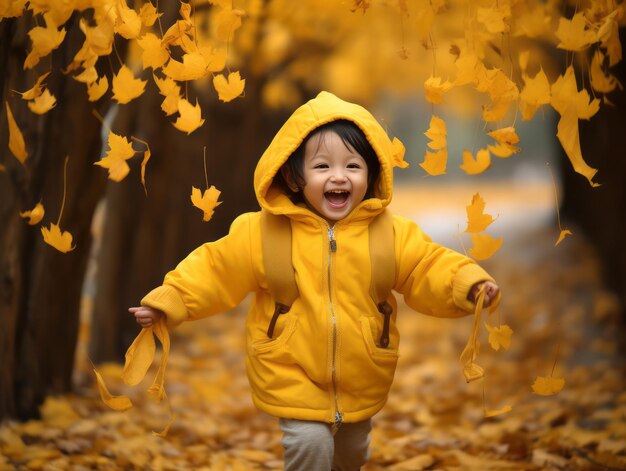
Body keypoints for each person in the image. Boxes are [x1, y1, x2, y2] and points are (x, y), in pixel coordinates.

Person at [129, 91, 500, 470]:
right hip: (289, 366)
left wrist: (467, 284)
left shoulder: (390, 234)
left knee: (352, 453)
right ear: (294, 176)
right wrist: (170, 299)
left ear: (371, 175)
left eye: (353, 166)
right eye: (322, 166)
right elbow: (215, 268)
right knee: (310, 444)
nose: (339, 176)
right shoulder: (262, 233)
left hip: (363, 370)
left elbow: (427, 266)